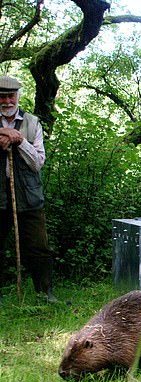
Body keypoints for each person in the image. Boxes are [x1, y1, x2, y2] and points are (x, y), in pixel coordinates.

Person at [0, 75, 56, 304]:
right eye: (2, 96)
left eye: (10, 96)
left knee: (38, 247)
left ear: (17, 97)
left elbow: (37, 163)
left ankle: (45, 293)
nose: (6, 101)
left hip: (29, 197)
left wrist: (18, 140)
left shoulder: (32, 123)